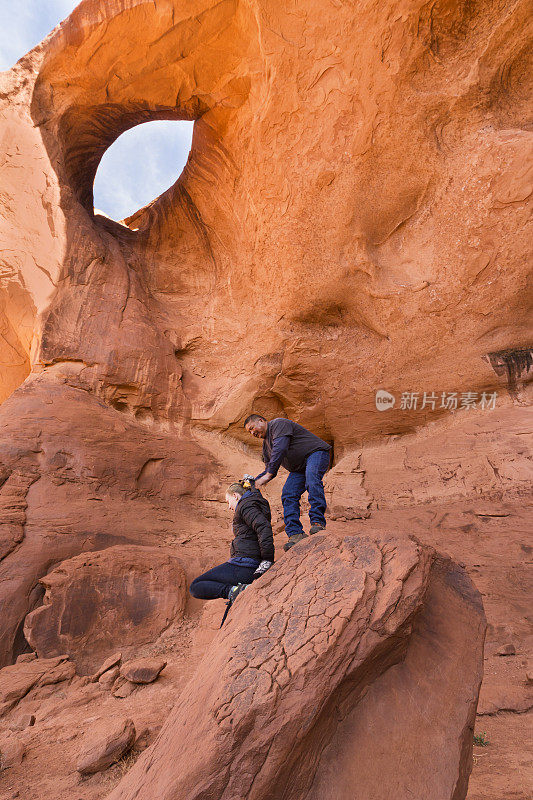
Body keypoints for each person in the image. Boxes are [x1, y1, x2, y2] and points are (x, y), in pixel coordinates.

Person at [244, 414, 332, 551]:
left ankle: (317, 523)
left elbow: (281, 448)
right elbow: (269, 469)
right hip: (299, 468)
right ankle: (295, 534)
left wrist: (267, 475)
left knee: (312, 479)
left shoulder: (278, 424)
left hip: (315, 453)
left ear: (261, 421)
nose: (252, 433)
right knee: (288, 494)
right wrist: (253, 482)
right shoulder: (266, 446)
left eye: (252, 428)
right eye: (249, 432)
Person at [189, 479, 274, 604]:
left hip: (244, 565)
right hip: (247, 564)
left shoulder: (246, 505)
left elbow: (263, 527)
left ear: (235, 496)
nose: (229, 507)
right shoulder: (252, 504)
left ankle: (234, 591)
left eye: (228, 502)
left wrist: (267, 559)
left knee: (196, 586)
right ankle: (235, 590)